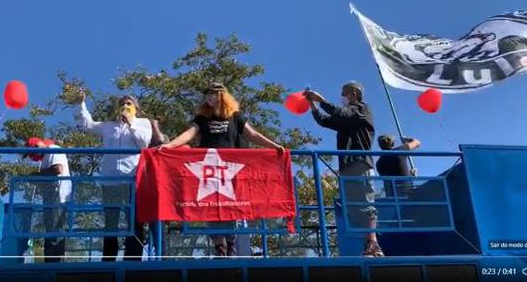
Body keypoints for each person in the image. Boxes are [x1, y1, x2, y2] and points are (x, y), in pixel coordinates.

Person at [161, 82, 285, 257]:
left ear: (223, 95)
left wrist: (274, 146)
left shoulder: (236, 116)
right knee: (210, 207)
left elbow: (252, 134)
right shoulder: (202, 118)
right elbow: (189, 133)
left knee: (230, 207)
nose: (210, 97)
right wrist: (170, 145)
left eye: (214, 93)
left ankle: (231, 243)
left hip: (231, 170)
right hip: (208, 170)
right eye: (208, 94)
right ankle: (219, 247)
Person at [303, 81, 383, 257]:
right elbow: (325, 120)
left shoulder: (362, 109)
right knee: (355, 207)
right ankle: (368, 246)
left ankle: (374, 244)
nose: (342, 97)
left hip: (360, 162)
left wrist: (321, 99)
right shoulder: (346, 118)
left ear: (354, 93)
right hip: (346, 165)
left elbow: (341, 112)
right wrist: (312, 103)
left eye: (344, 93)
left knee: (366, 203)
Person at [77, 93, 152, 261]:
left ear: (136, 108)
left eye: (128, 103)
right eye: (122, 104)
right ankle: (108, 260)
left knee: (134, 221)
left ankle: (132, 261)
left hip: (132, 180)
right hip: (110, 181)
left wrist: (131, 122)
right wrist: (81, 104)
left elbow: (143, 143)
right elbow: (88, 125)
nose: (125, 106)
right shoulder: (108, 126)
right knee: (111, 223)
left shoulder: (143, 123)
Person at [25, 137, 72, 262]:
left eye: (31, 153)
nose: (32, 156)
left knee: (55, 232)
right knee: (51, 231)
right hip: (51, 197)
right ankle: (52, 264)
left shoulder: (52, 149)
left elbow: (57, 169)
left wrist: (36, 175)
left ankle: (53, 266)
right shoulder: (46, 156)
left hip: (57, 197)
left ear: (36, 147)